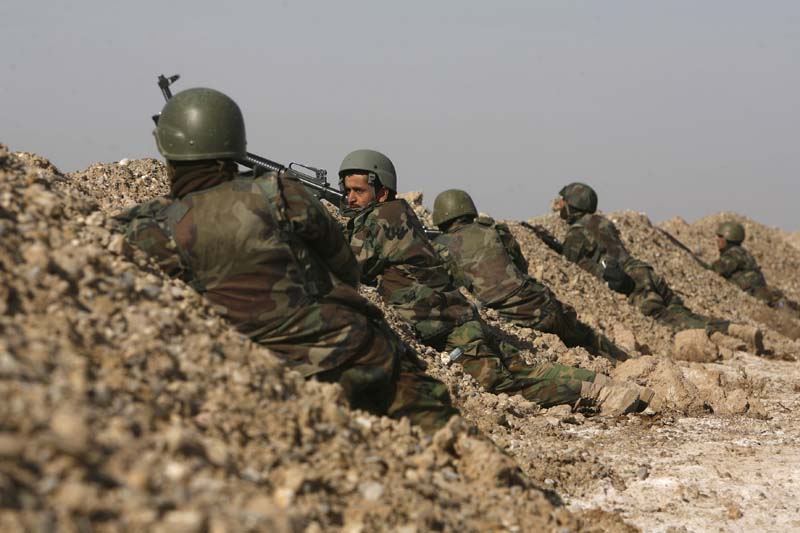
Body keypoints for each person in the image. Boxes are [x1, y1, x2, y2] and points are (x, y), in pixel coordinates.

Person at [115, 87, 458, 432]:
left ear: (168, 151)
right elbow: (347, 269)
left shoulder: (151, 230)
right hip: (356, 352)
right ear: (235, 145)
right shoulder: (277, 192)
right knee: (448, 440)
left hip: (261, 382)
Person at [339, 149, 653, 414]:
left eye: (358, 191)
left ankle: (601, 395)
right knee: (527, 370)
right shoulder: (400, 216)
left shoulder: (380, 221)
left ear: (382, 192)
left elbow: (346, 264)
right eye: (347, 190)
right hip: (463, 320)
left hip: (451, 332)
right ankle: (603, 382)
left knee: (503, 387)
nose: (350, 198)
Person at [554, 182, 763, 350]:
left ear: (573, 205)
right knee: (683, 312)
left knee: (667, 320)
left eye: (563, 202)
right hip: (642, 270)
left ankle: (722, 339)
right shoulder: (603, 223)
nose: (560, 205)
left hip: (630, 281)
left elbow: (569, 263)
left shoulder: (576, 232)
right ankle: (735, 329)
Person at [430, 188, 628, 362]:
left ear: (440, 216)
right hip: (542, 302)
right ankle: (624, 360)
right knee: (583, 334)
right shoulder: (494, 230)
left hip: (514, 318)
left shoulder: (441, 247)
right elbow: (521, 265)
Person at [711, 221, 799, 315]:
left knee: (785, 311)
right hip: (759, 292)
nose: (716, 239)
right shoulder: (740, 252)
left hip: (755, 294)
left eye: (720, 236)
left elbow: (719, 268)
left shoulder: (734, 254)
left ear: (730, 238)